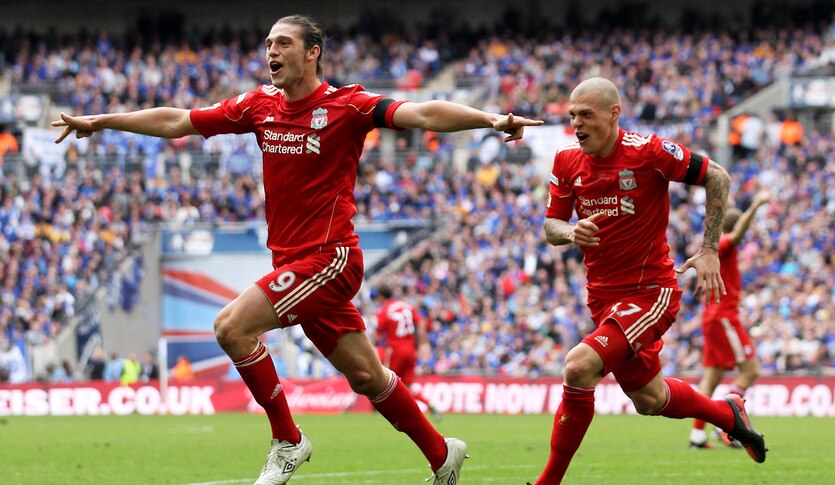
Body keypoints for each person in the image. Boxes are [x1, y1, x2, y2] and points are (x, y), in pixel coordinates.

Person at [53, 14, 541, 485]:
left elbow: (423, 113)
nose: (271, 51)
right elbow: (180, 120)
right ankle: (442, 454)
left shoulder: (348, 105)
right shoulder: (258, 106)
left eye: (282, 43)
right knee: (369, 377)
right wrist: (103, 121)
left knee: (230, 326)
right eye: (268, 44)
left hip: (331, 259)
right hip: (295, 264)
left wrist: (492, 119)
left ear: (313, 53)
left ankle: (288, 440)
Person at [529, 77, 766, 485]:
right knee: (650, 400)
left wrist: (710, 249)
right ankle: (726, 412)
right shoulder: (566, 160)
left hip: (650, 292)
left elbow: (718, 177)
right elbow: (551, 225)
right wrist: (571, 232)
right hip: (602, 297)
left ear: (614, 114)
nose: (577, 124)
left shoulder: (649, 151)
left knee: (579, 366)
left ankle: (547, 482)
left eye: (586, 115)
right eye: (572, 116)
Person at [689, 191, 770, 449]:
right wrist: (755, 204)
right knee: (751, 369)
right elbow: (736, 235)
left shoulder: (718, 246)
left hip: (712, 316)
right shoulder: (724, 243)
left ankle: (697, 436)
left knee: (712, 378)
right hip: (723, 317)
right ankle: (725, 422)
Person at [374, 284, 439, 420]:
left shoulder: (384, 311)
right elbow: (421, 322)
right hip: (411, 349)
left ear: (380, 297)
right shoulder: (406, 306)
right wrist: (422, 343)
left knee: (388, 383)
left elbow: (378, 335)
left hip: (395, 349)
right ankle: (428, 403)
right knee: (407, 385)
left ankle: (393, 413)